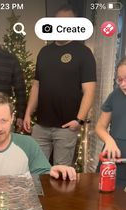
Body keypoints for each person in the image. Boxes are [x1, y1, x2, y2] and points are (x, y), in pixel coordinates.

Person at [23, 4, 96, 166]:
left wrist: (79, 120)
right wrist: (28, 113)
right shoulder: (44, 52)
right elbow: (36, 85)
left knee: (61, 174)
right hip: (41, 126)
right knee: (36, 170)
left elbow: (89, 90)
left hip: (66, 127)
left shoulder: (83, 53)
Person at [96, 56, 126, 181]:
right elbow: (100, 127)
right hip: (112, 163)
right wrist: (109, 140)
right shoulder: (115, 95)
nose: (123, 84)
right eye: (120, 80)